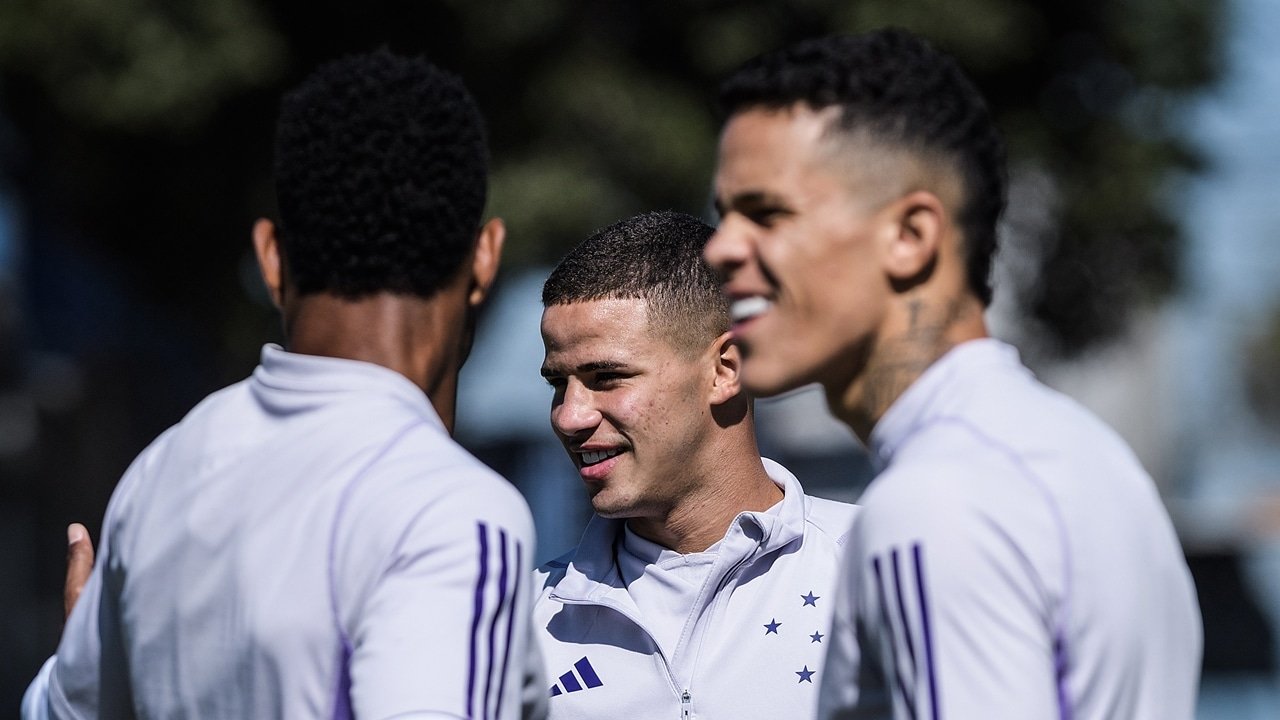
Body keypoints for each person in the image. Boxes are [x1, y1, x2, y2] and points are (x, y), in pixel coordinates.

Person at [23, 49, 540, 720]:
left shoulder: (159, 474)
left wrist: (76, 664)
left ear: (270, 257)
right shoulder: (454, 515)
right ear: (486, 255)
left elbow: (60, 709)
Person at [703, 29, 1202, 720]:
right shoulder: (1090, 459)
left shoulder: (932, 504)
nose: (723, 249)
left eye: (767, 214)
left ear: (910, 236)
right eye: (725, 216)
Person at [534, 210, 857, 719]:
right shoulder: (517, 622)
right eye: (558, 384)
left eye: (607, 377)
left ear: (726, 369)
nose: (569, 417)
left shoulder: (878, 563)